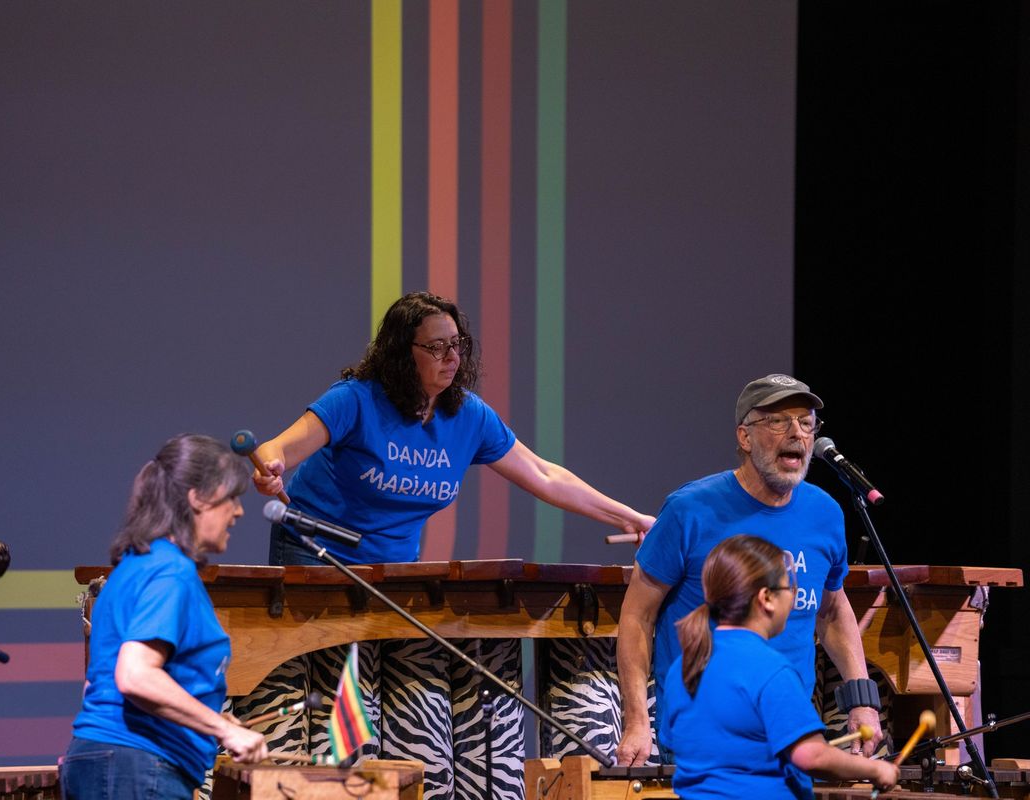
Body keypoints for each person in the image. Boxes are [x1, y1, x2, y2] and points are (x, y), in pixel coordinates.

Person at [248, 291, 654, 800]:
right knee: (334, 703)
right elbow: (282, 446)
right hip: (317, 557)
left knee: (393, 706)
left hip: (393, 571)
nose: (451, 358)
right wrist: (269, 467)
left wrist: (632, 518)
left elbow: (546, 476)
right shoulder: (355, 398)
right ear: (402, 352)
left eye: (457, 346)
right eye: (436, 347)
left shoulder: (468, 416)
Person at [617, 374, 884, 767]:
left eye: (806, 422)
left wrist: (861, 699)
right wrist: (637, 721)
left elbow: (831, 609)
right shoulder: (690, 510)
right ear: (744, 437)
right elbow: (637, 615)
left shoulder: (825, 513)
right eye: (778, 421)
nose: (797, 433)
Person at [62, 434, 267, 800]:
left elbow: (99, 683)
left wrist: (208, 720)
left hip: (111, 761)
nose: (239, 511)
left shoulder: (133, 566)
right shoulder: (170, 571)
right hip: (138, 763)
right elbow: (135, 676)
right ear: (198, 498)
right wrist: (222, 728)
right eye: (231, 498)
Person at [663, 534, 900, 799]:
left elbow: (680, 743)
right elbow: (811, 755)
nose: (794, 597)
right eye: (790, 588)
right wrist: (874, 769)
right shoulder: (770, 670)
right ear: (766, 598)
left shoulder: (683, 666)